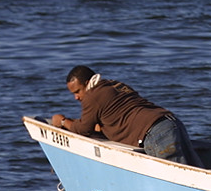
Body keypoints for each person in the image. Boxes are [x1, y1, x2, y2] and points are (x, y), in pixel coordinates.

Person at [51, 65, 203, 167]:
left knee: (174, 179)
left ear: (87, 83)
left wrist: (63, 121)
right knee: (195, 172)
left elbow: (83, 129)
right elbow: (121, 113)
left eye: (77, 91)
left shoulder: (93, 95)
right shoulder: (115, 85)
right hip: (171, 123)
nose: (76, 97)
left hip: (154, 132)